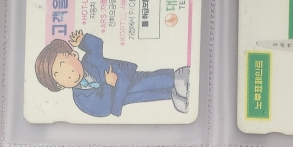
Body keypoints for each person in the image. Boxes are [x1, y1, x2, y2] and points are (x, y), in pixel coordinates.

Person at [34, 30, 190, 117]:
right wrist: (109, 85)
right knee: (146, 95)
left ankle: (176, 78)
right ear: (60, 85)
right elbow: (102, 110)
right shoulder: (80, 99)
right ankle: (172, 94)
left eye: (64, 63)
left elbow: (97, 45)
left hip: (125, 77)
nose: (67, 73)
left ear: (74, 55)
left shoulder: (89, 60)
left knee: (147, 80)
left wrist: (83, 41)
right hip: (121, 97)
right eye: (58, 74)